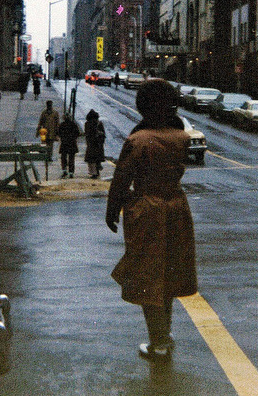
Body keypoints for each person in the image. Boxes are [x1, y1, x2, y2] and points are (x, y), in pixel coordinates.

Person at [106, 79, 197, 363]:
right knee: (168, 276)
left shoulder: (139, 140)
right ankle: (164, 336)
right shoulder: (181, 137)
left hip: (148, 210)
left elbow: (121, 179)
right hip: (177, 208)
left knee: (148, 278)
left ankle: (158, 343)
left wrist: (112, 211)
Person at [84, 109, 105, 179]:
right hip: (98, 144)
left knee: (91, 159)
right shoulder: (99, 123)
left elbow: (87, 133)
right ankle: (97, 170)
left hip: (91, 144)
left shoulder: (87, 124)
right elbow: (103, 134)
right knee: (97, 158)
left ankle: (94, 173)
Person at [58, 113, 81, 178]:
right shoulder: (73, 124)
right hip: (72, 143)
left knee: (63, 158)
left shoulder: (62, 125)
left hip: (64, 143)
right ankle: (71, 172)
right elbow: (77, 133)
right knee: (71, 159)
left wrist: (63, 137)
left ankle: (64, 170)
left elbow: (58, 133)